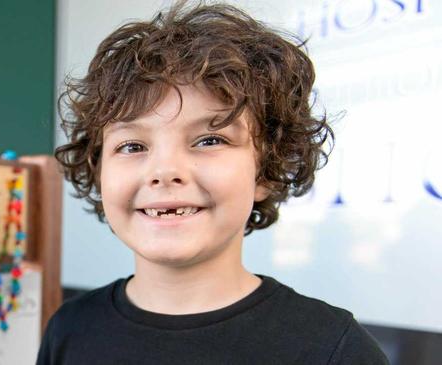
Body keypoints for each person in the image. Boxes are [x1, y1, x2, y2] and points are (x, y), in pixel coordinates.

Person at [38, 1, 389, 364]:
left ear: (265, 171)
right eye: (132, 145)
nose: (164, 170)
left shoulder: (335, 350)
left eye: (210, 140)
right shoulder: (69, 329)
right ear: (100, 171)